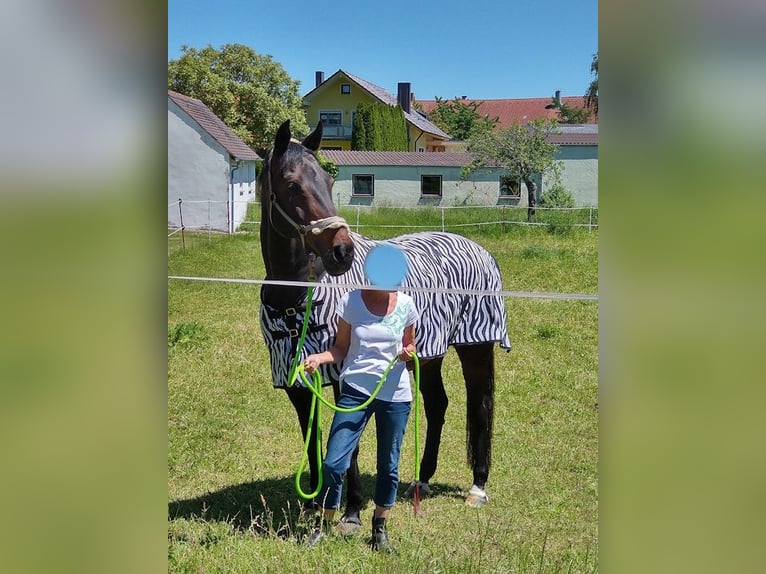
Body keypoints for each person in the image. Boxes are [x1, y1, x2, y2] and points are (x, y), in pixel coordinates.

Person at [302, 287, 418, 553]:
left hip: (395, 395)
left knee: (389, 466)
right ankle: (323, 525)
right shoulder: (352, 301)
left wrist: (409, 354)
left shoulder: (407, 305)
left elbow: (410, 349)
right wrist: (319, 358)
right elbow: (340, 348)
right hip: (355, 391)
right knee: (333, 462)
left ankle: (379, 530)